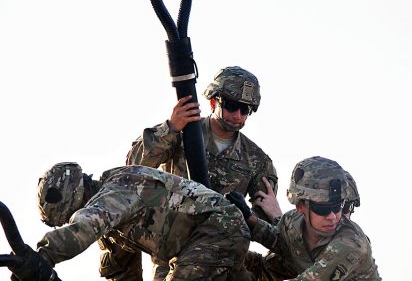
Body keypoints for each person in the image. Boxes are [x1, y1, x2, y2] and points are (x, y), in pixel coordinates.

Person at [123, 66, 279, 279]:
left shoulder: (257, 161)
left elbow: (262, 215)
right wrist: (170, 128)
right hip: (171, 250)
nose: (238, 115)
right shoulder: (182, 133)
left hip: (221, 257)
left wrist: (241, 215)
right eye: (232, 106)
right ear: (214, 102)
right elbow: (134, 165)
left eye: (246, 110)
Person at [9, 162, 251, 281]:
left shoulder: (119, 187)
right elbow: (121, 271)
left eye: (68, 218)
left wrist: (42, 257)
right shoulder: (111, 226)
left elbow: (85, 227)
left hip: (218, 227)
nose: (70, 221)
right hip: (194, 248)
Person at [226, 156, 381, 280]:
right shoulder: (292, 222)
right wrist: (248, 218)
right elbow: (279, 241)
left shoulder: (350, 245)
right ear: (300, 207)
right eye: (323, 209)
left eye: (338, 206)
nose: (333, 216)